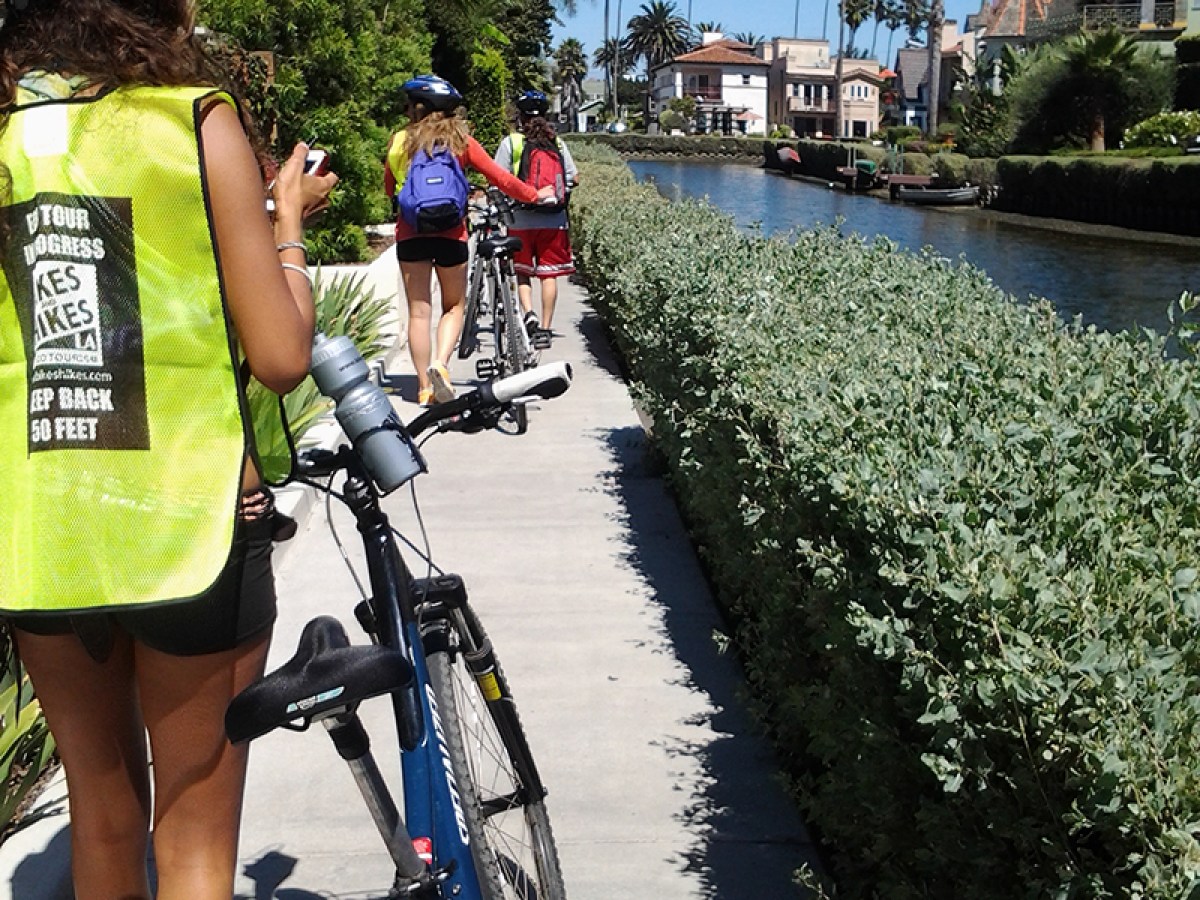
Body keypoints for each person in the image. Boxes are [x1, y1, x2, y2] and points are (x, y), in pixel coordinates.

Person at [0, 1, 337, 898]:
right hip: (195, 522)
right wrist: (289, 224)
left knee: (102, 822)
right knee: (192, 843)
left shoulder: (5, 133)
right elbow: (280, 357)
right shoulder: (191, 120)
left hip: (46, 526)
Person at [384, 76, 556, 406]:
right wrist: (535, 195)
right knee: (453, 306)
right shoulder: (461, 141)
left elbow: (389, 189)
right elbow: (501, 178)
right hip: (451, 234)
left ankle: (424, 388)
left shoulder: (399, 141)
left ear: (417, 109)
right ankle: (441, 364)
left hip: (410, 234)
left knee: (419, 312)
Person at [494, 89, 579, 341]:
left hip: (520, 218)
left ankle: (528, 314)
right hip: (554, 219)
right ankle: (546, 327)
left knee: (522, 271)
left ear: (520, 116)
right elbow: (574, 177)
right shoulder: (557, 142)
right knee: (548, 274)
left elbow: (499, 178)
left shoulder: (511, 143)